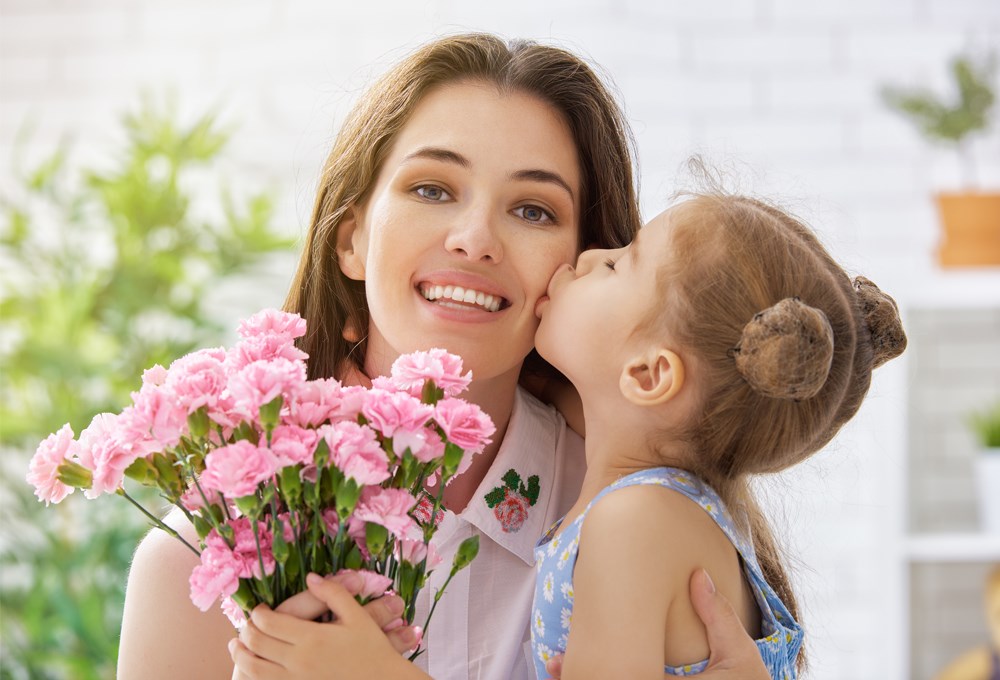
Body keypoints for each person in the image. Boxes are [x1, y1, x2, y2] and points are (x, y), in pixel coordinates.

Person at [118, 33, 769, 680]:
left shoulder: (642, 526)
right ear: (352, 241)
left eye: (533, 209)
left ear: (583, 266)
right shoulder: (208, 562)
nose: (475, 239)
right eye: (432, 190)